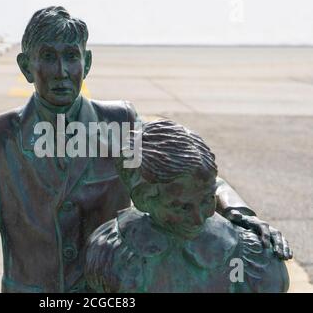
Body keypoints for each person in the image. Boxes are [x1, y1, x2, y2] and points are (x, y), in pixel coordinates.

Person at [0, 6, 291, 293]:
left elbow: (189, 175)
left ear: (86, 63)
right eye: (47, 57)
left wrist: (241, 213)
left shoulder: (119, 123)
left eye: (71, 57)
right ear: (26, 67)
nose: (60, 71)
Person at [85, 119, 290, 292]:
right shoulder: (112, 253)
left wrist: (242, 214)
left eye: (207, 200)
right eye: (182, 207)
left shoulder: (255, 257)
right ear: (143, 199)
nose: (199, 219)